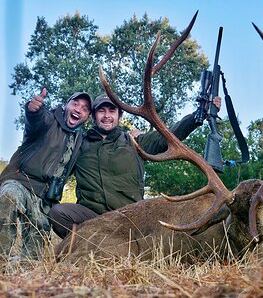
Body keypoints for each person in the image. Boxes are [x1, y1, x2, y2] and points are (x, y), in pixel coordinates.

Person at [49, 94, 222, 239]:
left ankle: (108, 248)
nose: (107, 115)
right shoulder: (80, 144)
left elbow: (167, 136)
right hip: (92, 218)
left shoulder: (134, 142)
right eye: (101, 111)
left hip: (129, 218)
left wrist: (197, 116)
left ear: (120, 117)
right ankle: (96, 247)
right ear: (94, 117)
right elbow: (57, 164)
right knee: (58, 213)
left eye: (112, 111)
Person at [0, 88, 92, 259]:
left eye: (85, 109)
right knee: (9, 197)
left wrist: (131, 135)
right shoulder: (49, 120)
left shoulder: (81, 140)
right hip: (20, 182)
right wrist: (32, 109)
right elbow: (36, 119)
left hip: (44, 199)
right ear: (66, 106)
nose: (79, 109)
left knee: (33, 252)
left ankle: (22, 272)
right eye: (75, 104)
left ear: (87, 117)